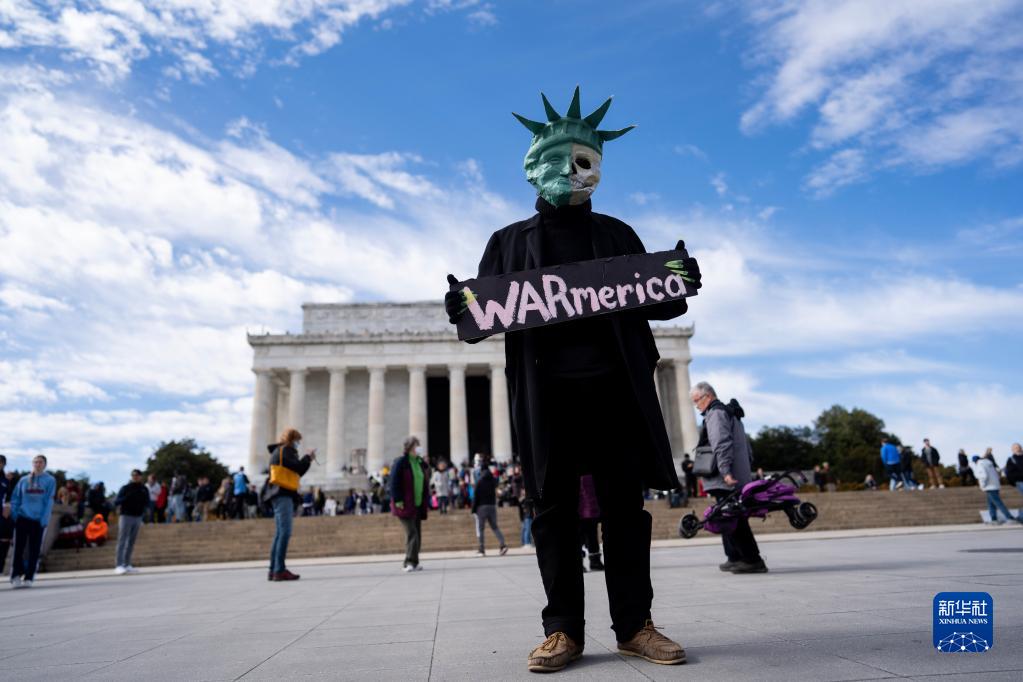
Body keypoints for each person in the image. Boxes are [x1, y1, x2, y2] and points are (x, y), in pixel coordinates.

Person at [445, 88, 696, 673]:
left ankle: (635, 626)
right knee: (553, 512)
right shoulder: (508, 243)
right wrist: (460, 310)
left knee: (624, 510)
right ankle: (562, 631)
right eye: (561, 159)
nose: (574, 171)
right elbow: (481, 323)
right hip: (547, 396)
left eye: (585, 160)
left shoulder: (617, 234)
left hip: (615, 391)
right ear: (534, 167)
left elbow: (659, 304)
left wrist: (680, 279)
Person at [692, 383, 765, 574]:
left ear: (707, 396)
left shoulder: (716, 413)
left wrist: (725, 472)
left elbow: (721, 443)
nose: (696, 406)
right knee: (726, 516)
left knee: (733, 518)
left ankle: (752, 560)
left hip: (725, 478)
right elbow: (747, 448)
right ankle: (734, 556)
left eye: (697, 401)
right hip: (736, 474)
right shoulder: (730, 412)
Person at [262, 428, 314, 581]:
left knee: (280, 533)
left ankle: (273, 570)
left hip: (278, 494)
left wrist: (307, 460)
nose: (298, 443)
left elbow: (295, 471)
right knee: (284, 532)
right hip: (282, 493)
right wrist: (308, 457)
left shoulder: (278, 451)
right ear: (292, 440)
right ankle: (279, 570)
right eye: (298, 440)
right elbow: (298, 468)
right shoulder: (286, 450)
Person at [9, 455, 56, 588]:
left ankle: (29, 577)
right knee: (18, 549)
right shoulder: (23, 480)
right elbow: (15, 498)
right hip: (22, 518)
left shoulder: (50, 480)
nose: (38, 464)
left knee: (34, 550)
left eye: (40, 462)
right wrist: (15, 515)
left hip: (38, 520)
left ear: (45, 464)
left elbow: (49, 500)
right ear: (32, 464)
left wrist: (44, 519)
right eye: (35, 462)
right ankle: (15, 576)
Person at [390, 436, 430, 572]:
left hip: (417, 504)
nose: (419, 448)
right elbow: (394, 481)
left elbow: (425, 479)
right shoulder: (401, 462)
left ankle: (415, 561)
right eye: (416, 445)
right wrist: (398, 500)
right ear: (410, 448)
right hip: (404, 504)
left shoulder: (420, 463)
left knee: (417, 534)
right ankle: (409, 562)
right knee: (412, 533)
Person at [113, 469, 149, 575]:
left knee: (131, 541)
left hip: (137, 517)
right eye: (133, 475)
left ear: (141, 476)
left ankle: (127, 564)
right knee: (122, 540)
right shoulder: (126, 488)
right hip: (126, 516)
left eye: (137, 475)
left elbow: (147, 502)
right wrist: (126, 498)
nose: (135, 477)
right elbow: (116, 501)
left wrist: (144, 512)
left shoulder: (144, 489)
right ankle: (119, 565)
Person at [971, 455, 1022, 525]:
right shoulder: (989, 463)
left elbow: (983, 476)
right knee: (991, 504)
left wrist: (982, 486)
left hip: (989, 486)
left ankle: (1010, 518)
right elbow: (996, 474)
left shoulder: (980, 464)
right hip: (995, 485)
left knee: (998, 503)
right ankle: (994, 519)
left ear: (975, 461)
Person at [472, 464, 508, 557]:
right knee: (495, 527)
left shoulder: (479, 481)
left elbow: (476, 496)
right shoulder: (493, 480)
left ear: (481, 471)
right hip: (492, 506)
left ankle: (481, 550)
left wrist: (473, 509)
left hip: (481, 507)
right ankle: (503, 545)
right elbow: (499, 485)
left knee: (481, 529)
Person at [578, 474, 603, 571]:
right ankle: (594, 561)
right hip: (588, 510)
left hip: (588, 510)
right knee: (590, 535)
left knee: (589, 535)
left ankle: (594, 561)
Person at [0, 454, 10, 574]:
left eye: (1, 462)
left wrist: (7, 506)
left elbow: (9, 496)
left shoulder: (5, 481)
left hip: (1, 514)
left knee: (3, 540)